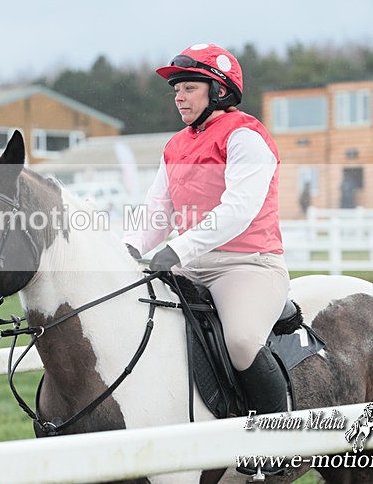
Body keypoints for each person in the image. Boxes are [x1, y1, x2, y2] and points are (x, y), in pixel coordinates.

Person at [123, 44, 290, 436]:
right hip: (192, 263)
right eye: (176, 89)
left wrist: (176, 249)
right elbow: (157, 212)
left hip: (249, 265)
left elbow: (238, 209)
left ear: (218, 90)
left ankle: (276, 439)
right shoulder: (176, 144)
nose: (178, 96)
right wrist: (128, 249)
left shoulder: (246, 136)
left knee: (243, 341)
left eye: (189, 88)